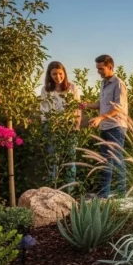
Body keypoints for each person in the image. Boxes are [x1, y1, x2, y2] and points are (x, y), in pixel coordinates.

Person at [84, 54, 128, 198]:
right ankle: (104, 194)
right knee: (105, 161)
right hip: (105, 126)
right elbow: (101, 105)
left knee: (116, 160)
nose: (98, 72)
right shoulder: (104, 83)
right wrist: (86, 105)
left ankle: (122, 193)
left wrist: (100, 117)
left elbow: (119, 107)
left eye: (101, 69)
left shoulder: (118, 84)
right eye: (97, 69)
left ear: (110, 67)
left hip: (116, 127)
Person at [39, 61, 81, 189]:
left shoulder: (72, 87)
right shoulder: (45, 90)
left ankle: (70, 190)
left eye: (60, 73)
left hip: (69, 127)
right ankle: (53, 188)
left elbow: (77, 108)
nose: (58, 77)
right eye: (54, 74)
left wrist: (76, 126)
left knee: (70, 160)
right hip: (52, 127)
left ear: (64, 74)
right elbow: (44, 111)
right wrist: (50, 125)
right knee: (53, 160)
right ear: (49, 75)